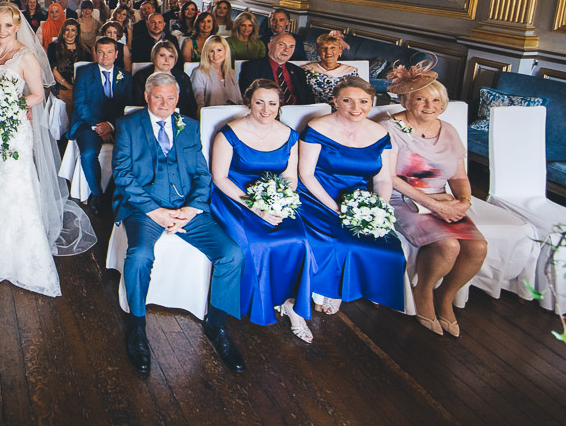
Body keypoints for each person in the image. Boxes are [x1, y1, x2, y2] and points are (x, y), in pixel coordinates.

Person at [0, 3, 97, 294]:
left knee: (13, 185)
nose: (2, 30)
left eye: (8, 25)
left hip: (13, 128)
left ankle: (16, 255)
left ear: (18, 26)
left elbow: (38, 93)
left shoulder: (26, 55)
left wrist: (10, 105)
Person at [112, 72, 246, 375]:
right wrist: (153, 211)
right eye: (158, 97)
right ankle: (136, 327)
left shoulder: (190, 126)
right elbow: (122, 175)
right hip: (144, 210)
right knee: (140, 256)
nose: (164, 103)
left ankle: (217, 326)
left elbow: (203, 174)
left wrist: (192, 207)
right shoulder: (129, 126)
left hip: (185, 208)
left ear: (177, 98)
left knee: (232, 255)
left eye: (170, 97)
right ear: (147, 97)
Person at [384, 63, 487, 337]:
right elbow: (391, 179)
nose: (429, 105)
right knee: (449, 245)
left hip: (441, 198)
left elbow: (459, 176)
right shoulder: (390, 127)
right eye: (421, 98)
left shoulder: (449, 130)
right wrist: (435, 206)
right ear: (406, 100)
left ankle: (446, 296)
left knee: (478, 248)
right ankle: (424, 291)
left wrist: (464, 199)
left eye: (436, 100)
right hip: (401, 199)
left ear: (443, 104)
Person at [209, 80, 314, 341]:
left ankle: (291, 303)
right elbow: (219, 178)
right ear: (249, 103)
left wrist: (280, 199)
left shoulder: (290, 136)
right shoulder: (228, 134)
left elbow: (290, 177)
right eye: (259, 102)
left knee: (299, 240)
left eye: (272, 103)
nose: (266, 109)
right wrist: (256, 207)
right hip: (235, 198)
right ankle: (256, 303)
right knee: (258, 244)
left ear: (280, 106)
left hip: (274, 198)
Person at [297, 76, 406, 315]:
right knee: (339, 242)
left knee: (389, 246)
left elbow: (383, 178)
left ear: (371, 103)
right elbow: (306, 174)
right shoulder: (317, 127)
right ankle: (332, 289)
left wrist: (378, 208)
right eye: (348, 100)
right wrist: (335, 208)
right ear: (335, 101)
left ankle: (371, 287)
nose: (356, 108)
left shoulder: (379, 133)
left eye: (364, 101)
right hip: (317, 196)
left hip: (360, 198)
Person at [68, 37, 132, 216]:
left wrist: (110, 125)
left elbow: (126, 106)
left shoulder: (125, 76)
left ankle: (116, 193)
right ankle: (97, 194)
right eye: (101, 52)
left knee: (129, 152)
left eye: (109, 52)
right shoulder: (84, 72)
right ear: (96, 53)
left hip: (116, 125)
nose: (105, 56)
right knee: (88, 153)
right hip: (87, 123)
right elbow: (80, 104)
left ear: (116, 54)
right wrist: (99, 127)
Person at [239, 33, 315, 106]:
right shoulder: (252, 67)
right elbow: (249, 97)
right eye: (281, 45)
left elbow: (308, 99)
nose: (287, 50)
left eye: (291, 46)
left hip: (298, 113)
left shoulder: (298, 71)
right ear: (269, 46)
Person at [131, 41, 198, 120]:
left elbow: (191, 107)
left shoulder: (182, 77)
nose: (167, 60)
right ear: (154, 56)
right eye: (162, 55)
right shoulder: (140, 77)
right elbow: (136, 106)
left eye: (171, 56)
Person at [301, 32, 360, 105]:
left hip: (342, 110)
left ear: (340, 51)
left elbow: (356, 95)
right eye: (323, 48)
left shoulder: (351, 72)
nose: (328, 51)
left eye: (333, 47)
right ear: (318, 52)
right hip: (314, 110)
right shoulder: (306, 70)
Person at [48, 19, 89, 113]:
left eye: (73, 30)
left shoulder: (85, 49)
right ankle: (71, 127)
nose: (70, 33)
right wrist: (68, 86)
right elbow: (53, 70)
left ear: (77, 33)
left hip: (80, 85)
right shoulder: (53, 47)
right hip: (60, 83)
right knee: (73, 99)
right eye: (67, 30)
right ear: (63, 31)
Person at [191, 35, 243, 108]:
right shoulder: (199, 73)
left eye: (219, 50)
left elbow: (240, 101)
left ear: (225, 51)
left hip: (234, 115)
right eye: (211, 51)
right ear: (206, 54)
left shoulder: (231, 72)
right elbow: (199, 106)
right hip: (210, 116)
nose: (215, 55)